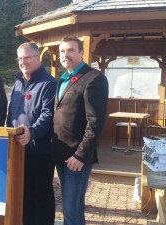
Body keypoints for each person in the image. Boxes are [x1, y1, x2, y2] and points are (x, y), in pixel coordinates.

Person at [52, 36, 109, 225]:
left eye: (70, 50)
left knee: (72, 212)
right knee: (70, 210)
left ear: (82, 53)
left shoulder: (94, 78)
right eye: (62, 51)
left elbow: (96, 122)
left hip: (76, 159)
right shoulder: (63, 79)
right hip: (61, 156)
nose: (65, 55)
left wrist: (81, 155)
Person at [6, 42, 57, 225]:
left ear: (38, 58)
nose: (23, 61)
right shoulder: (18, 82)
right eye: (20, 58)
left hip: (40, 151)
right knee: (23, 195)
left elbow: (47, 114)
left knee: (41, 196)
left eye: (27, 57)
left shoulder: (49, 83)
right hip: (18, 151)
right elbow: (11, 112)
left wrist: (32, 133)